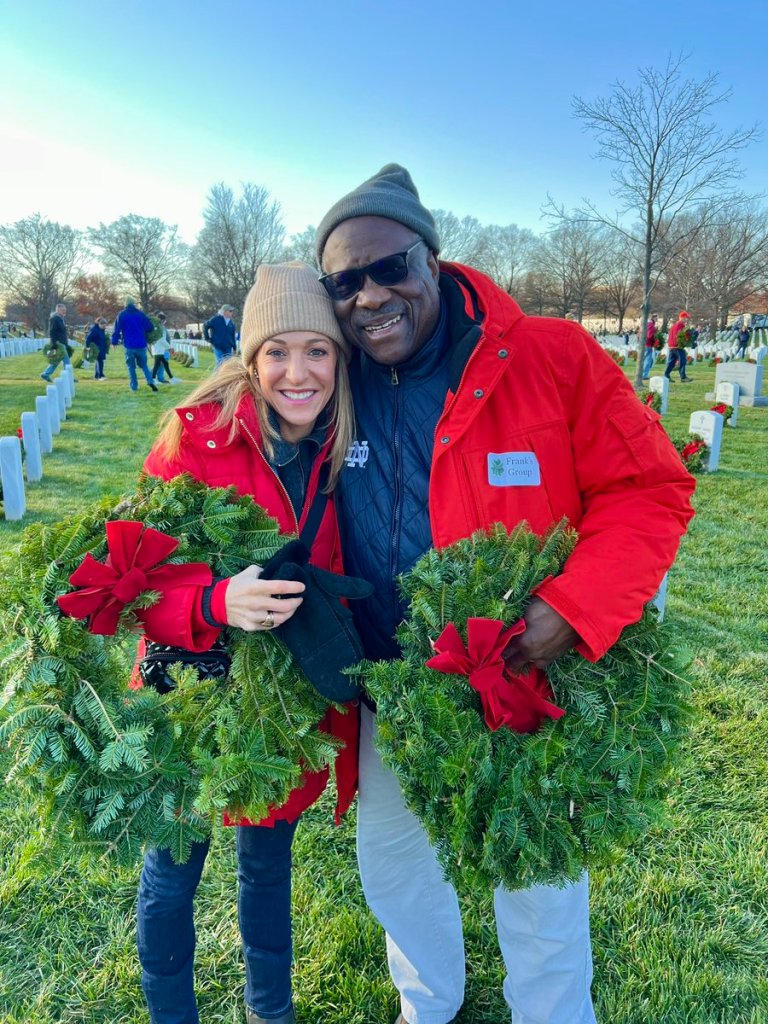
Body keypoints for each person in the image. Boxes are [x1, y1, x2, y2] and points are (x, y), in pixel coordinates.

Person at [315, 164, 696, 1024]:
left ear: (434, 260)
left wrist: (575, 608)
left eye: (391, 268)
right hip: (391, 682)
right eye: (345, 282)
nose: (370, 296)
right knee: (396, 864)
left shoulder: (550, 354)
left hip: (521, 675)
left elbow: (648, 488)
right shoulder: (330, 381)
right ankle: (429, 1002)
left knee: (539, 880)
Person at [136, 261, 357, 1024]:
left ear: (340, 357)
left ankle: (271, 1011)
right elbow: (134, 584)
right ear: (252, 356)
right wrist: (214, 600)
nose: (299, 373)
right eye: (278, 351)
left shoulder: (348, 449)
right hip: (191, 705)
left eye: (318, 350)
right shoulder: (196, 443)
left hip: (281, 710)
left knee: (266, 870)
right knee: (171, 874)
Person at [112, 298, 159, 392]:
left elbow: (116, 329)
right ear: (134, 304)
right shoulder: (140, 314)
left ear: (125, 304)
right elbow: (149, 327)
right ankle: (150, 381)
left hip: (129, 345)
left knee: (131, 367)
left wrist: (114, 342)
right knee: (144, 365)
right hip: (141, 344)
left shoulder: (122, 314)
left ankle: (134, 386)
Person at [41, 302, 74, 382]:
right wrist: (54, 343)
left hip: (62, 343)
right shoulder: (55, 319)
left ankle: (45, 374)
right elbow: (52, 332)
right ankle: (69, 378)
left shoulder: (61, 319)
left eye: (65, 310)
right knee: (67, 361)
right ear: (58, 310)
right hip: (59, 343)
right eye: (63, 310)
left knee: (56, 360)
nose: (64, 311)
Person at [664, 310, 692, 383]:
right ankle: (683, 377)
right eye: (686, 318)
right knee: (683, 361)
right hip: (677, 346)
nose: (686, 319)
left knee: (672, 362)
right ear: (682, 317)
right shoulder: (680, 324)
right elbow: (679, 335)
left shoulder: (674, 324)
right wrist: (684, 342)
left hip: (672, 346)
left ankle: (666, 375)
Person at [150, 311, 176, 384]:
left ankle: (166, 378)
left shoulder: (160, 327)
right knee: (159, 365)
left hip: (162, 349)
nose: (165, 322)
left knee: (162, 364)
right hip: (161, 349)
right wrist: (169, 348)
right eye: (164, 320)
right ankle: (155, 378)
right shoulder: (159, 328)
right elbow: (162, 340)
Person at [642, 313, 658, 381]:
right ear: (653, 318)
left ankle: (642, 374)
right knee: (648, 360)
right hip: (648, 344)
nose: (657, 319)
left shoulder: (645, 324)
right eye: (656, 317)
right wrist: (655, 341)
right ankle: (644, 375)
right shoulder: (650, 325)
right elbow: (650, 336)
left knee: (647, 360)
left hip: (644, 344)